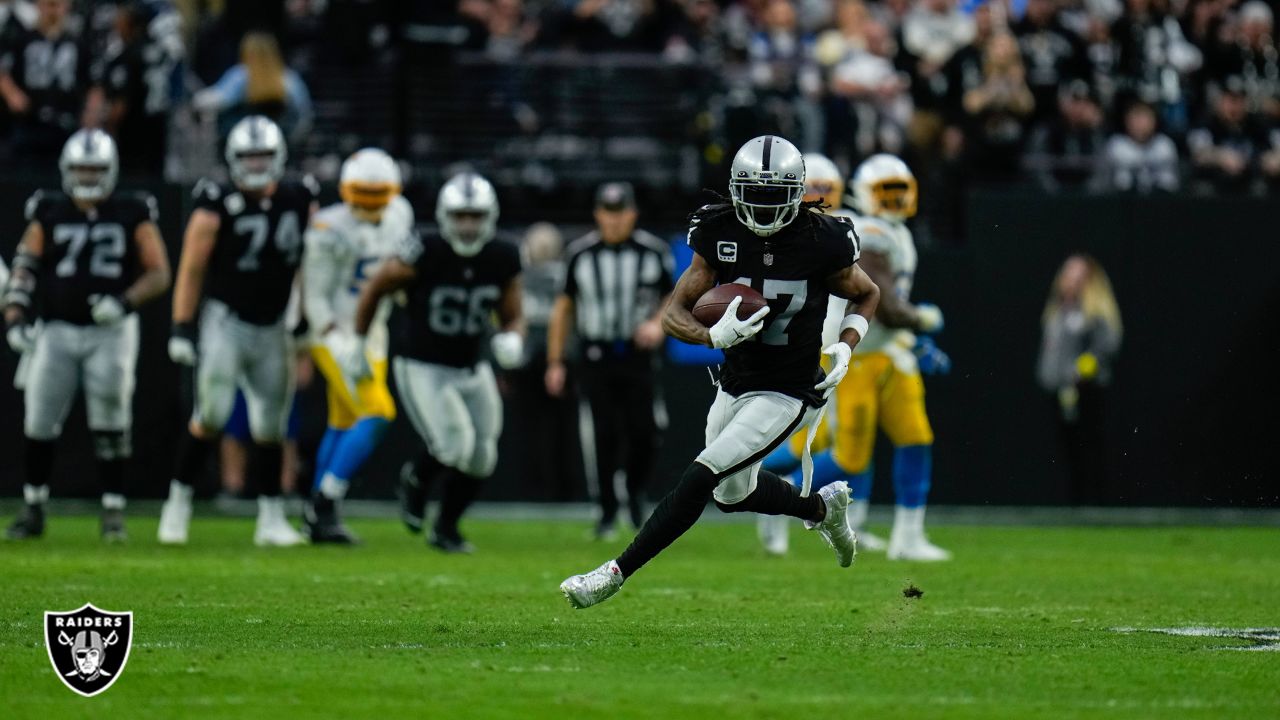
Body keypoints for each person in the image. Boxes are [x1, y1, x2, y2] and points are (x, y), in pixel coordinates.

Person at [559, 135, 881, 609]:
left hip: (789, 388)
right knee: (733, 494)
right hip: (736, 380)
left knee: (699, 478)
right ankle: (820, 507)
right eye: (755, 195)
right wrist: (713, 338)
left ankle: (612, 574)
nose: (764, 208)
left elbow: (866, 292)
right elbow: (674, 312)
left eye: (775, 196)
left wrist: (847, 345)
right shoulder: (718, 230)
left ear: (796, 194)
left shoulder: (823, 238)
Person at [761, 154, 953, 562]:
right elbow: (885, 304)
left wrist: (911, 342)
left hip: (881, 351)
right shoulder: (863, 232)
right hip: (849, 354)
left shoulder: (885, 231)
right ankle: (774, 498)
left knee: (913, 437)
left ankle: (901, 534)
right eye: (888, 192)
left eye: (902, 191)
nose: (897, 201)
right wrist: (920, 322)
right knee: (843, 452)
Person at [3, 128, 171, 540]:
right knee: (39, 419)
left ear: (111, 170)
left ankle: (113, 511)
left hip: (110, 331)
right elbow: (26, 264)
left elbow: (159, 272)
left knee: (111, 417)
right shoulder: (49, 210)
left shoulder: (132, 210)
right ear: (65, 169)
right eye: (80, 168)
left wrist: (125, 302)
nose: (88, 177)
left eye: (95, 169)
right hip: (57, 329)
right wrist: (15, 317)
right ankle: (34, 507)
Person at [158, 115, 316, 547]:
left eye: (263, 155)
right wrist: (182, 326)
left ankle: (270, 519)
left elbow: (311, 259)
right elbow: (192, 266)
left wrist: (305, 313)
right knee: (210, 414)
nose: (256, 163)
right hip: (227, 322)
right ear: (232, 159)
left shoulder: (300, 197)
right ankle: (177, 506)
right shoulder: (216, 200)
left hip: (275, 326)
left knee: (271, 425)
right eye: (248, 155)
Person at [354, 172, 524, 553]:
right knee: (454, 445)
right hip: (422, 363)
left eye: (475, 216)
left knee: (482, 456)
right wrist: (358, 340)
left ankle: (446, 527)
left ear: (490, 216)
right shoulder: (425, 249)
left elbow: (513, 312)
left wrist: (512, 335)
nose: (467, 225)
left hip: (471, 364)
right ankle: (415, 478)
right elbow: (376, 286)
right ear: (445, 215)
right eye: (460, 216)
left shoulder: (502, 254)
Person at [545, 181, 674, 540]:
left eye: (621, 213)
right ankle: (605, 512)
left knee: (647, 431)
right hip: (595, 355)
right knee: (602, 434)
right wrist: (555, 361)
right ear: (598, 215)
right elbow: (563, 308)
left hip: (637, 355)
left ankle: (633, 492)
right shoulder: (580, 254)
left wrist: (656, 325)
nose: (615, 221)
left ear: (632, 214)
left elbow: (674, 297)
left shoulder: (653, 252)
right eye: (608, 212)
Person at [302, 147, 411, 544]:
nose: (368, 204)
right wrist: (336, 339)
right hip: (333, 332)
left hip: (373, 333)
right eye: (361, 194)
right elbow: (314, 297)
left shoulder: (400, 215)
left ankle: (315, 515)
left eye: (376, 194)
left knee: (344, 421)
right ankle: (325, 500)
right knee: (378, 411)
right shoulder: (327, 228)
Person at [1037, 254, 1122, 505]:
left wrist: (1082, 370)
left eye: (1078, 275)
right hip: (1059, 392)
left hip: (1087, 391)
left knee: (1090, 450)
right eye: (1068, 273)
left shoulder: (1094, 312)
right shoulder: (1057, 311)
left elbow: (1107, 346)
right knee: (1068, 452)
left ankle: (1096, 506)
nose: (1071, 280)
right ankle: (1073, 507)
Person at [0, 0, 100, 167]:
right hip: (28, 122)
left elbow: (93, 83)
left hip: (68, 122)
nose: (52, 11)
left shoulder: (78, 42)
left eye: (57, 5)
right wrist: (13, 95)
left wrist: (90, 114)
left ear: (67, 6)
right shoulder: (21, 38)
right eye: (48, 4)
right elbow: (4, 71)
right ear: (39, 5)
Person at [192, 30, 313, 141]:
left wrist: (196, 98)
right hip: (277, 144)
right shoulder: (289, 79)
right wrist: (291, 139)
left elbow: (213, 101)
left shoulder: (240, 76)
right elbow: (304, 116)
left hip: (240, 145)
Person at [1102, 100, 1180, 193]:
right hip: (1122, 202)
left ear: (1154, 120)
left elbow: (1170, 184)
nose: (1139, 123)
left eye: (1144, 117)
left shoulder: (1164, 144)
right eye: (1135, 117)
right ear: (1126, 121)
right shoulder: (1116, 144)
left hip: (1161, 201)